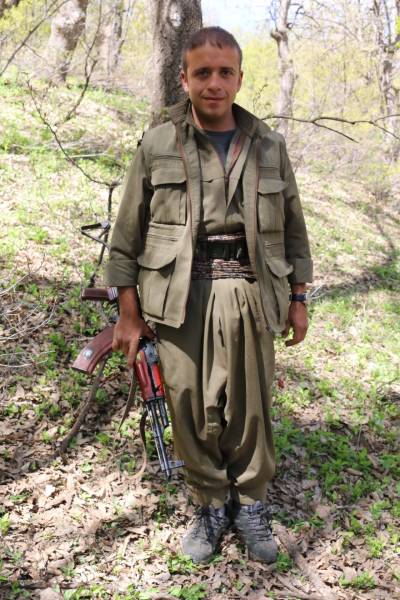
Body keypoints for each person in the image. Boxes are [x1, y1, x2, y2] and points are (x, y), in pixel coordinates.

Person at [105, 27, 313, 564]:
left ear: (240, 78)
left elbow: (294, 230)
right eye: (202, 73)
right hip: (179, 294)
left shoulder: (269, 145)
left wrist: (299, 298)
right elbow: (126, 237)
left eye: (225, 73)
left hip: (250, 288)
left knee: (249, 405)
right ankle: (210, 503)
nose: (214, 83)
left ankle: (251, 503)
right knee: (188, 403)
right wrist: (128, 314)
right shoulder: (157, 144)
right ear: (184, 79)